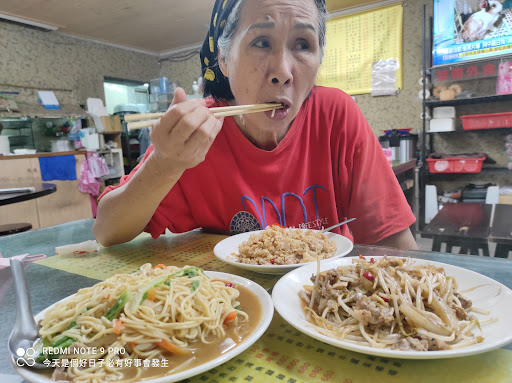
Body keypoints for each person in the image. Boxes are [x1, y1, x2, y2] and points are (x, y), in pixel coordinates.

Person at [93, 0, 418, 250]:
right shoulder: (200, 130)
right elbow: (106, 231)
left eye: (302, 44)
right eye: (261, 42)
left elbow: (393, 245)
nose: (282, 71)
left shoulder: (335, 115)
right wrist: (165, 165)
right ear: (224, 58)